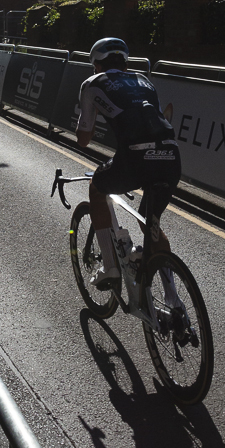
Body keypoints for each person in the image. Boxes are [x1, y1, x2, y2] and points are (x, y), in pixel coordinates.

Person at [76, 37, 180, 287]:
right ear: (124, 63)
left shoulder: (91, 83)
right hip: (170, 157)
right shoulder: (144, 81)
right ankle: (173, 299)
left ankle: (111, 267)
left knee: (97, 188)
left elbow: (83, 139)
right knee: (149, 224)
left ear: (97, 64)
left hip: (136, 157)